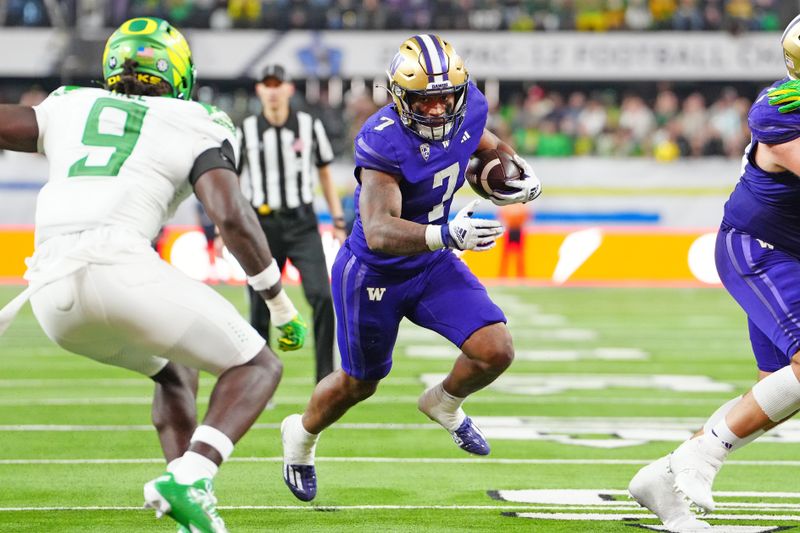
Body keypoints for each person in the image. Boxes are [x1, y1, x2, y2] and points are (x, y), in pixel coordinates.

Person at [0, 17, 308, 533]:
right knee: (258, 367)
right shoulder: (199, 119)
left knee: (175, 368)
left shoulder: (69, 103)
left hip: (50, 295)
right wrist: (278, 302)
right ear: (179, 72)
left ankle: (182, 497)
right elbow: (231, 216)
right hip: (119, 270)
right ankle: (191, 478)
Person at [279, 34, 541, 502]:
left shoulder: (469, 106)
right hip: (374, 271)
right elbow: (379, 228)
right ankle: (299, 438)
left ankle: (443, 402)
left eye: (446, 99)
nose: (439, 111)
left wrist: (510, 165)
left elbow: (481, 139)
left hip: (432, 261)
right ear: (400, 98)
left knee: (495, 349)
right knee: (360, 382)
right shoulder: (382, 140)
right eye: (426, 101)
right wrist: (446, 235)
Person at [628, 14, 800, 530]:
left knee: (781, 389)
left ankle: (665, 476)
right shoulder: (781, 110)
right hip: (759, 249)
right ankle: (702, 459)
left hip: (787, 252)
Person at [237, 64, 345, 383]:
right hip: (261, 226)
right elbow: (232, 178)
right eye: (266, 84)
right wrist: (225, 227)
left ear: (288, 89)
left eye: (277, 84)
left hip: (302, 223)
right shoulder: (246, 130)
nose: (272, 90)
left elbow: (325, 172)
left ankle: (326, 376)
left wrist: (337, 219)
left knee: (322, 297)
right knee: (259, 304)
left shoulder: (308, 126)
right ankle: (259, 378)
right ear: (259, 90)